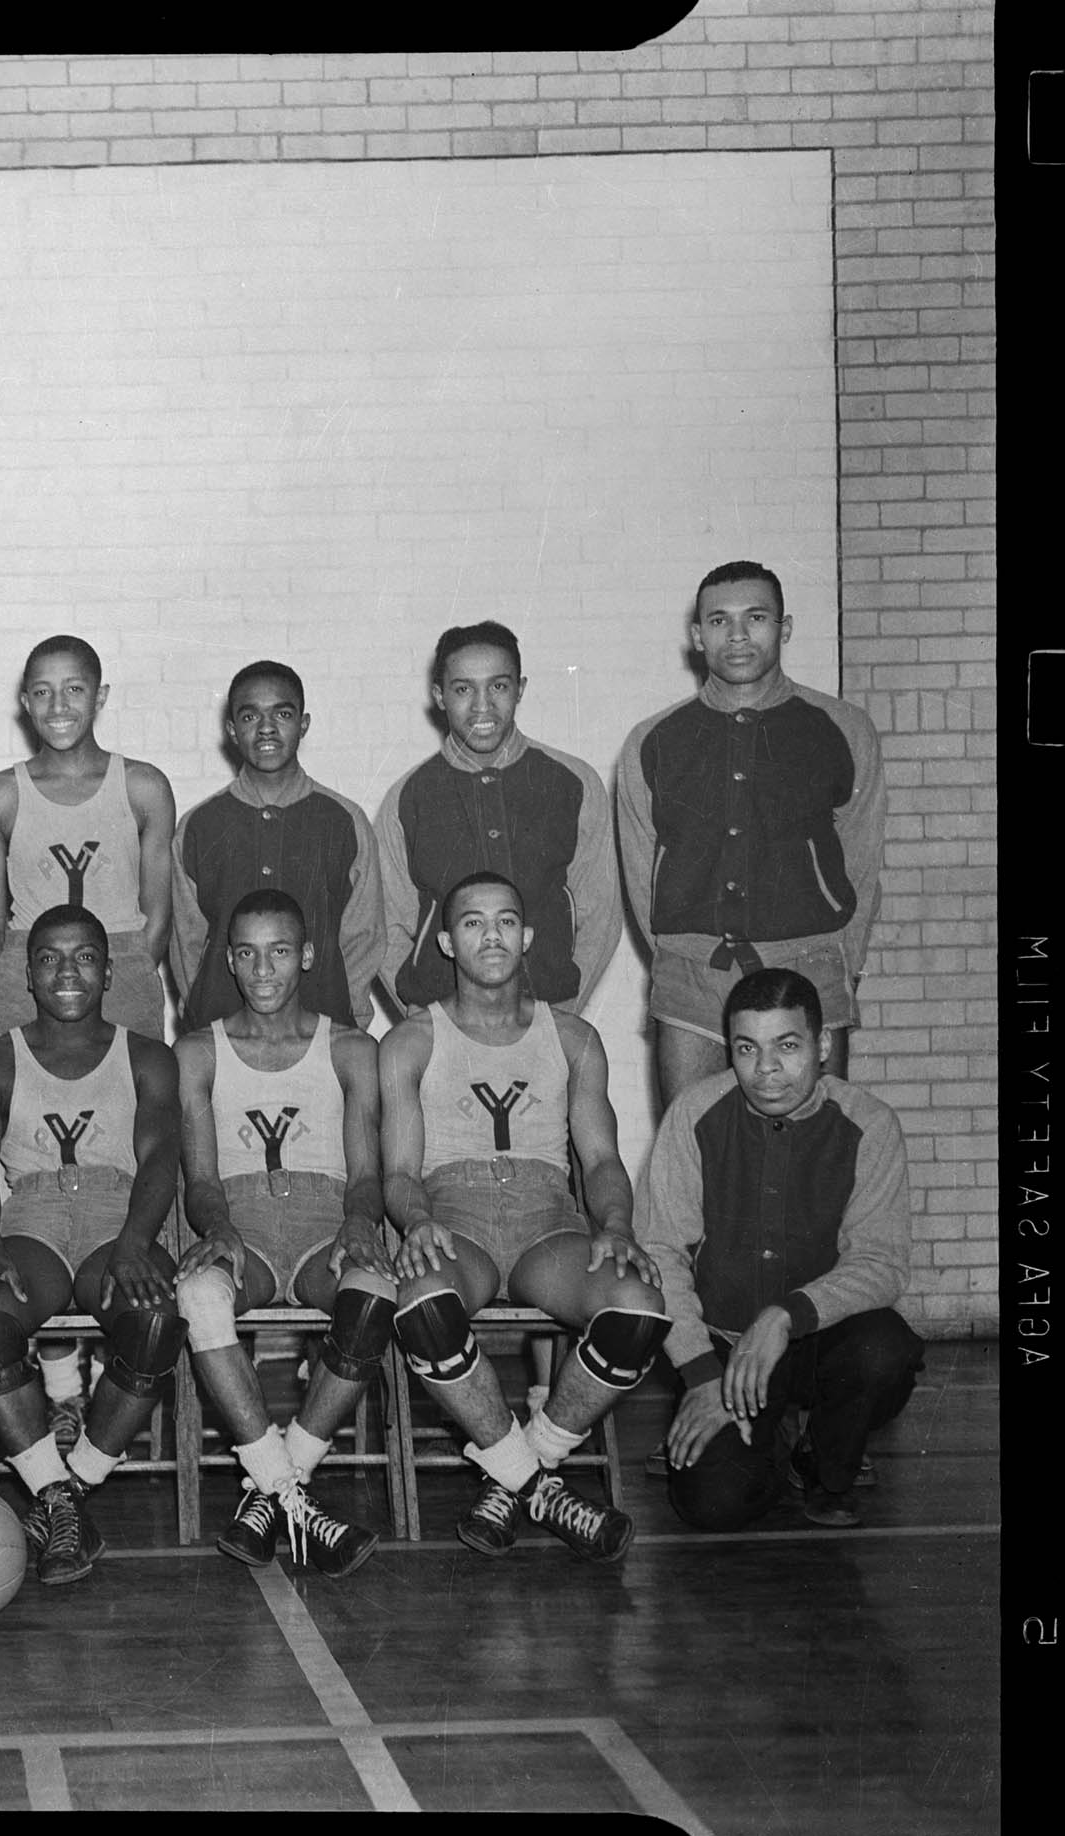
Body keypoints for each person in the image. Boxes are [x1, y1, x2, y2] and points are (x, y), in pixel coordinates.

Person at [379, 872, 666, 1561]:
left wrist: (617, 1226)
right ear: (447, 942)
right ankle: (541, 1488)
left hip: (547, 1220)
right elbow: (399, 1173)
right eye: (472, 923)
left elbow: (600, 1161)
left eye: (506, 921)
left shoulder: (573, 1037)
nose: (491, 936)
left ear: (527, 935)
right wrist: (418, 1220)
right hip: (456, 1215)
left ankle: (518, 1474)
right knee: (424, 1305)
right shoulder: (412, 1040)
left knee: (639, 1308)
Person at [641, 969, 923, 1530]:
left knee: (884, 1351)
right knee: (713, 1505)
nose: (766, 1069)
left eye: (787, 1046)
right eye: (747, 1048)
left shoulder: (870, 1124)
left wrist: (787, 1315)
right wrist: (701, 1374)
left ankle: (823, 1461)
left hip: (821, 1344)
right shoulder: (694, 1113)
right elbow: (660, 1253)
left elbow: (882, 1263)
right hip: (725, 1351)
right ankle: (764, 1443)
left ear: (823, 1046)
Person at [0, 904, 185, 1586]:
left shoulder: (147, 1056)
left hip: (118, 1215)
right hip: (34, 1217)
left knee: (153, 1318)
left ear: (109, 972)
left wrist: (135, 1243)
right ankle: (57, 1496)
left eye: (84, 957)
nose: (67, 972)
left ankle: (70, 1488)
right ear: (28, 974)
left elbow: (161, 1158)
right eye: (49, 958)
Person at [173, 890, 390, 1577]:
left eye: (279, 951)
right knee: (199, 1296)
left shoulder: (351, 1048)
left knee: (374, 1293)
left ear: (308, 956)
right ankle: (293, 1495)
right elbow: (200, 1177)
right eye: (247, 953)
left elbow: (366, 1173)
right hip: (242, 1224)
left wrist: (359, 1218)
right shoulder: (198, 1051)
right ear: (229, 960)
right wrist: (218, 1226)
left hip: (327, 1221)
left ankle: (275, 1489)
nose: (263, 969)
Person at [616, 561, 887, 1109]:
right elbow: (642, 872)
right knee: (694, 1140)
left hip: (809, 967)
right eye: (719, 621)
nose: (737, 635)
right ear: (697, 636)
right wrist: (681, 953)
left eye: (756, 617)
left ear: (784, 628)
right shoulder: (653, 740)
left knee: (813, 1144)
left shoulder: (843, 727)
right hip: (692, 980)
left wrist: (842, 966)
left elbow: (861, 862)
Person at [376, 622, 618, 1019]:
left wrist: (564, 1012)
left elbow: (601, 914)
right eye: (463, 689)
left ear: (520, 689)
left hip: (548, 1011)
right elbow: (386, 924)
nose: (482, 706)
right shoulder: (409, 796)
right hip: (442, 1019)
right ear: (439, 696)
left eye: (498, 686)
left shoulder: (572, 782)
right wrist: (421, 1018)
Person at [0, 634, 174, 1043]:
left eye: (74, 689)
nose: (58, 706)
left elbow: (158, 916)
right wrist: (9, 992)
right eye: (43, 692)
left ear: (100, 697)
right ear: (26, 702)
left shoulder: (143, 787)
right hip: (29, 970)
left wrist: (127, 973)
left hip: (121, 969)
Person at [172, 661, 384, 1034]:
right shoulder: (199, 826)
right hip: (222, 1032)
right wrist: (202, 1018)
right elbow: (187, 942)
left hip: (323, 1028)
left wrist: (349, 1023)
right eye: (250, 716)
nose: (266, 727)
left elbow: (362, 935)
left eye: (282, 714)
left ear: (303, 724)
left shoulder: (344, 820)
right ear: (231, 730)